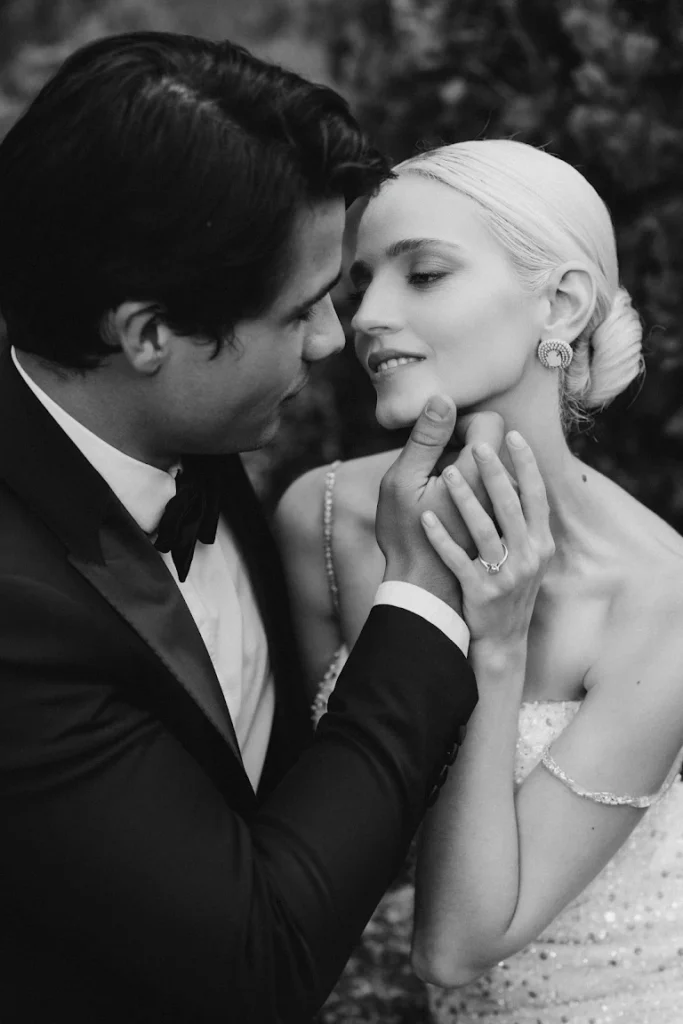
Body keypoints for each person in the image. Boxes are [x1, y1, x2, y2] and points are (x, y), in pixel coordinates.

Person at [0, 35, 555, 1023]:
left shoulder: (184, 426)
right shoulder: (18, 618)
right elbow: (258, 960)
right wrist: (421, 600)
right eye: (300, 309)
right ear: (147, 335)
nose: (331, 338)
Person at [276, 139, 683, 1023]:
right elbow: (329, 842)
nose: (365, 318)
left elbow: (454, 947)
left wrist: (493, 645)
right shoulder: (324, 518)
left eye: (422, 274)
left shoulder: (660, 597)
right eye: (360, 285)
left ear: (561, 301)